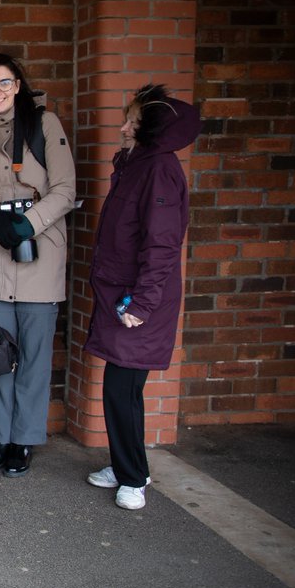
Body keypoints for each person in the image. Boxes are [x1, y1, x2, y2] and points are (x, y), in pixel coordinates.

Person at [0, 53, 76, 478]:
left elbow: (64, 190)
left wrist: (28, 223)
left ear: (18, 84)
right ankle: (0, 437)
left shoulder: (45, 125)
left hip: (40, 253)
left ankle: (24, 440)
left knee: (36, 356)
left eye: (4, 83)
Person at [84, 84, 200, 511]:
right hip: (123, 295)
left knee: (123, 388)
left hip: (138, 301)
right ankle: (124, 463)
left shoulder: (159, 169)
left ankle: (134, 477)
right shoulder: (135, 163)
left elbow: (163, 244)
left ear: (150, 130)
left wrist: (143, 304)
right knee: (120, 387)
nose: (124, 126)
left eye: (133, 120)